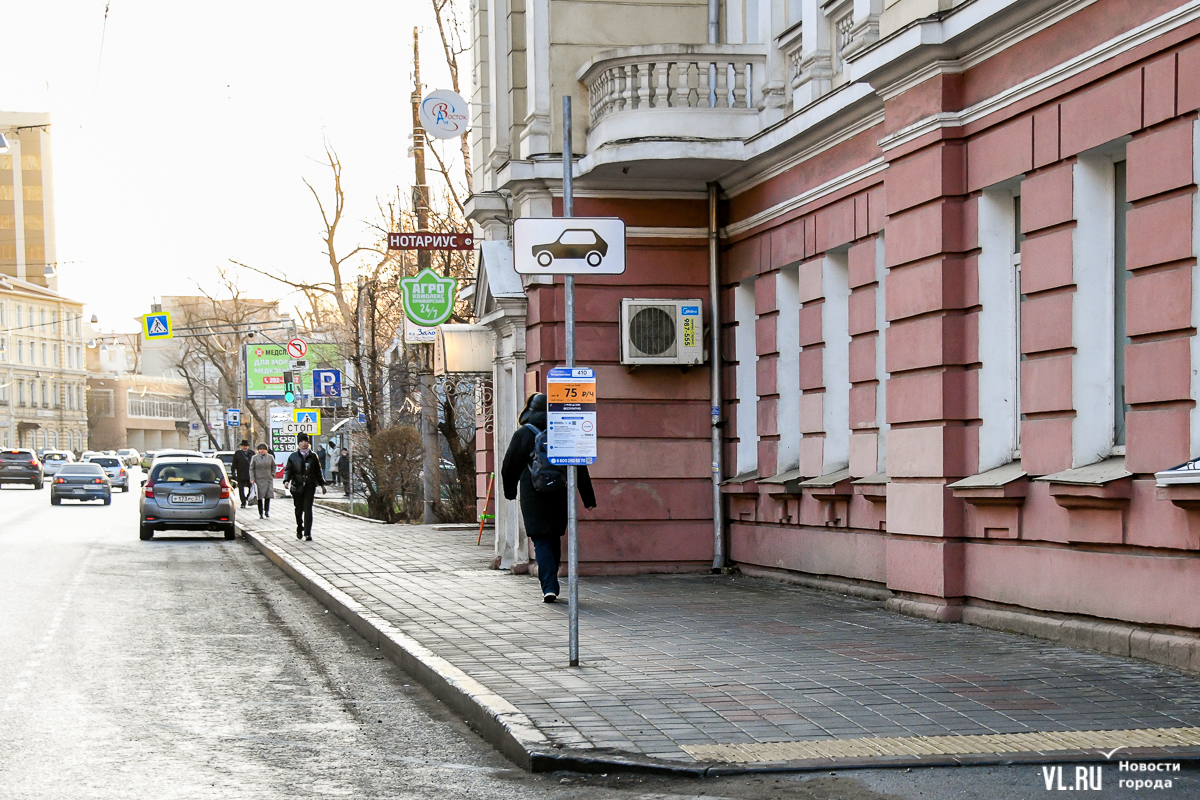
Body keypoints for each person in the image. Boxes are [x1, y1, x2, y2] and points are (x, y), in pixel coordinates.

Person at [501, 392, 596, 603]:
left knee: (541, 539)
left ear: (530, 410)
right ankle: (551, 581)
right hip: (560, 492)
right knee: (553, 538)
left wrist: (510, 491)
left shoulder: (524, 434)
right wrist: (588, 498)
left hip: (533, 494)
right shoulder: (563, 431)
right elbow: (580, 467)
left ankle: (549, 586)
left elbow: (509, 466)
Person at [283, 433, 327, 541]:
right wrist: (286, 480)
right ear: (298, 444)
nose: (303, 444)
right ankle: (299, 527)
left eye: (305, 442)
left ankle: (307, 532)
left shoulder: (313, 456)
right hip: (297, 486)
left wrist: (322, 485)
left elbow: (318, 471)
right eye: (301, 442)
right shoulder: (293, 456)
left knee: (308, 509)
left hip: (309, 486)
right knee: (298, 509)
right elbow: (288, 469)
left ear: (308, 443)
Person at [249, 442, 276, 519]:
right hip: (259, 479)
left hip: (268, 479)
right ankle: (260, 512)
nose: (262, 451)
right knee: (259, 497)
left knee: (268, 496)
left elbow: (274, 466)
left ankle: (266, 511)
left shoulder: (270, 457)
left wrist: (272, 474)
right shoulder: (255, 458)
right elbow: (251, 469)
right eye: (260, 449)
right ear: (258, 450)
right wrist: (252, 479)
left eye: (264, 449)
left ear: (266, 450)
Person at [231, 439, 253, 509]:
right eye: (243, 446)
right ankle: (243, 502)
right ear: (241, 446)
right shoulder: (238, 453)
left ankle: (247, 497)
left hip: (250, 474)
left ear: (248, 447)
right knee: (241, 488)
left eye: (246, 446)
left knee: (251, 488)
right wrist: (233, 473)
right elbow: (234, 464)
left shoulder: (252, 453)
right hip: (241, 474)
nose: (245, 447)